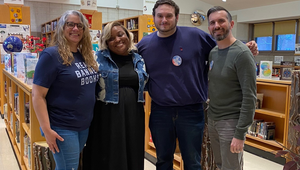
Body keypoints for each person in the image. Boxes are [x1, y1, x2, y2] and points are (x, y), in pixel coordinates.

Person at [137, 0, 258, 169]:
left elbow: (224, 45)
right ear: (154, 18)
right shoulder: (144, 44)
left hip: (192, 112)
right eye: (160, 16)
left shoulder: (196, 36)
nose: (164, 20)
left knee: (193, 162)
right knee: (163, 160)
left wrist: (246, 47)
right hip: (160, 112)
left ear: (177, 17)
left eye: (169, 15)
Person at [32, 10, 99, 170]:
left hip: (83, 125)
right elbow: (37, 95)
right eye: (70, 24)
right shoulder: (51, 55)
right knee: (68, 167)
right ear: (62, 27)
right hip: (62, 126)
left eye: (80, 26)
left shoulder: (84, 55)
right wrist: (47, 130)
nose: (75, 29)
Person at [83, 21, 149, 170]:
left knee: (133, 150)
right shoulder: (97, 59)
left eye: (120, 34)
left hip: (134, 115)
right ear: (106, 42)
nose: (118, 40)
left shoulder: (138, 58)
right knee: (109, 153)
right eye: (111, 38)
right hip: (106, 115)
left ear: (127, 35)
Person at [206, 6, 256, 170]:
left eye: (221, 20)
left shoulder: (242, 54)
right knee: (221, 165)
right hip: (213, 120)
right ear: (209, 27)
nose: (217, 25)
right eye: (212, 22)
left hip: (231, 122)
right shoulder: (213, 52)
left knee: (231, 168)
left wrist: (240, 133)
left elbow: (250, 97)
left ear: (231, 23)